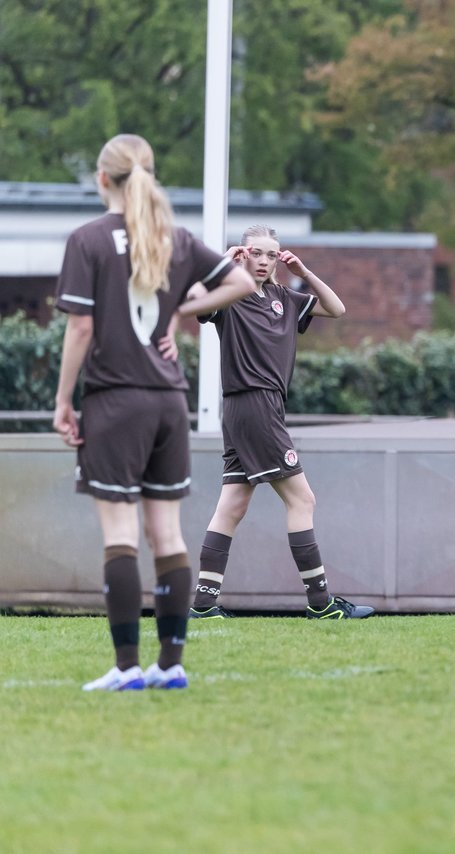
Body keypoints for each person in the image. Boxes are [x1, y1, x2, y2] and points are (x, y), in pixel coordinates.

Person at [54, 133, 256, 692]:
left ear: (103, 180)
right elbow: (240, 282)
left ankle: (126, 669)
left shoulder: (88, 240)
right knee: (166, 533)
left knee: (120, 533)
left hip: (115, 403)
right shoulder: (177, 238)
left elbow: (81, 327)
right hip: (169, 402)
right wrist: (182, 308)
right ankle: (171, 664)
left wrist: (63, 400)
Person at [186, 225, 375, 621]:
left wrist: (304, 272)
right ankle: (321, 603)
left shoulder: (284, 298)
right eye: (256, 252)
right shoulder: (231, 295)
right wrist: (223, 265)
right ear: (244, 253)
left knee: (232, 506)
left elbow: (337, 309)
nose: (264, 261)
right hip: (253, 404)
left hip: (256, 408)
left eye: (272, 255)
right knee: (302, 500)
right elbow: (196, 304)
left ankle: (203, 604)